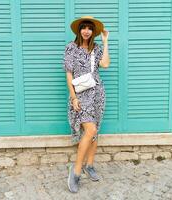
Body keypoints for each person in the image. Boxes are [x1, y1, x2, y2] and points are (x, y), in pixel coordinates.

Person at [63, 16, 110, 193]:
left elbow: (105, 64)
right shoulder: (71, 48)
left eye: (90, 28)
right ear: (79, 30)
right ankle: (75, 172)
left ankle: (89, 165)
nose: (86, 31)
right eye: (83, 27)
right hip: (80, 95)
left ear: (93, 32)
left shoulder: (96, 48)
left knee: (94, 131)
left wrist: (105, 42)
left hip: (97, 93)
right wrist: (74, 97)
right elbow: (69, 75)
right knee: (89, 130)